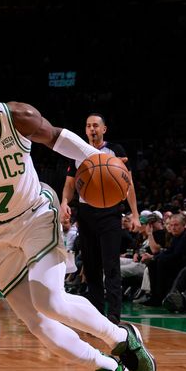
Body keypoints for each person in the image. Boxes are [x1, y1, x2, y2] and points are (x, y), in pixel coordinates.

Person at [0, 67, 156, 371]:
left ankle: (123, 338)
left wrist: (96, 159)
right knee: (38, 324)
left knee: (49, 299)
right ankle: (109, 368)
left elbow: (58, 138)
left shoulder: (16, 117)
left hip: (35, 215)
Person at [60, 114, 141, 324]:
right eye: (88, 126)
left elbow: (129, 184)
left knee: (111, 265)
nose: (91, 129)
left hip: (110, 212)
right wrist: (64, 203)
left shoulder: (116, 150)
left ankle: (114, 316)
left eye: (95, 125)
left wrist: (135, 214)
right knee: (90, 265)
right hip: (86, 213)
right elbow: (69, 184)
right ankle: (96, 316)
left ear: (104, 129)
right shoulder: (76, 151)